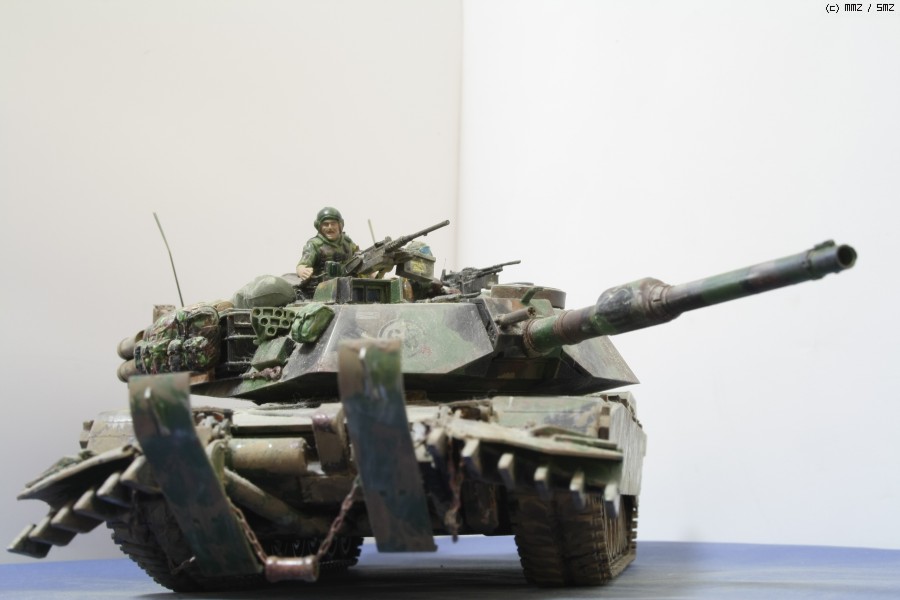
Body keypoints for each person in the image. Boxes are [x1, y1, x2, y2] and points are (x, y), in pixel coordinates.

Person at [295, 207, 359, 284]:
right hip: (323, 285)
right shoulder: (315, 245)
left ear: (340, 225)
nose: (330, 227)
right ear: (319, 226)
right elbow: (303, 263)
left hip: (348, 283)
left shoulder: (347, 242)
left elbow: (359, 256)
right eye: (326, 224)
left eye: (333, 224)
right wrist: (302, 270)